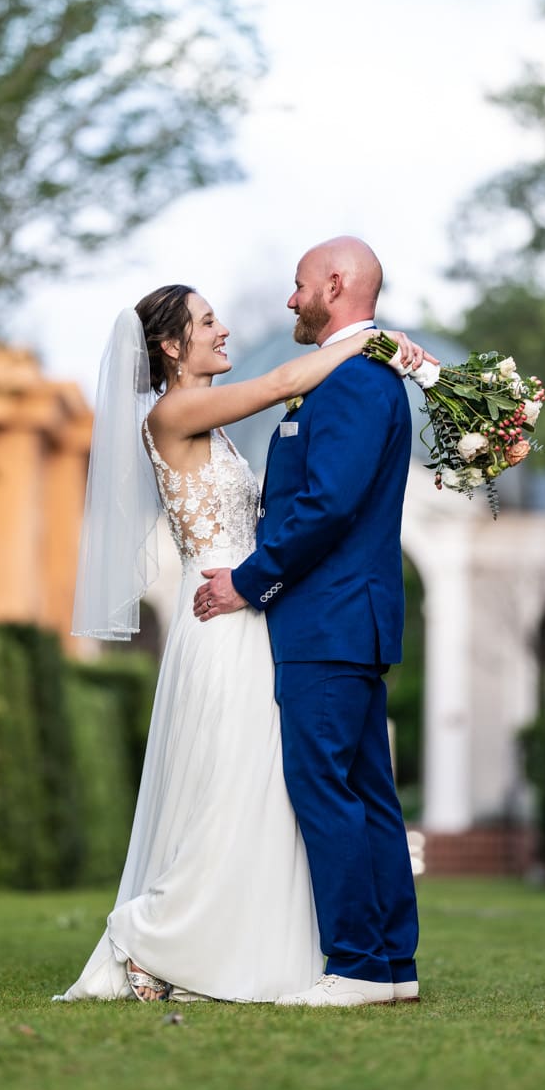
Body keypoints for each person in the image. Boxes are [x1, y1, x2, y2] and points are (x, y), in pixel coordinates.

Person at [53, 280, 424, 1004]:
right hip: (220, 621)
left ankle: (238, 944)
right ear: (169, 347)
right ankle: (157, 936)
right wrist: (371, 342)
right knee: (229, 788)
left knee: (254, 791)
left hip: (250, 616)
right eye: (207, 322)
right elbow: (285, 379)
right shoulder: (176, 409)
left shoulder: (207, 422)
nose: (224, 330)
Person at [192, 237, 421, 1007]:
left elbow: (326, 506)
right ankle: (392, 968)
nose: (290, 302)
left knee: (325, 787)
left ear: (335, 283)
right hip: (344, 622)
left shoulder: (355, 380)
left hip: (328, 622)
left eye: (298, 288)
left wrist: (248, 583)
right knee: (365, 791)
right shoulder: (355, 373)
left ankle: (356, 965)